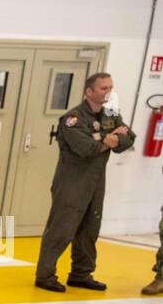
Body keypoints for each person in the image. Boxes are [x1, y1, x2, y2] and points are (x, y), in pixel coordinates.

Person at [34, 73, 135, 292]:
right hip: (73, 181)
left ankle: (81, 273)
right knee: (62, 228)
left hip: (96, 181)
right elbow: (85, 149)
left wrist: (106, 139)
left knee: (90, 228)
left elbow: (129, 138)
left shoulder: (110, 115)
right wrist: (109, 139)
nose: (108, 92)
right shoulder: (74, 118)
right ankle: (45, 274)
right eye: (103, 88)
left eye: (110, 87)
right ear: (89, 91)